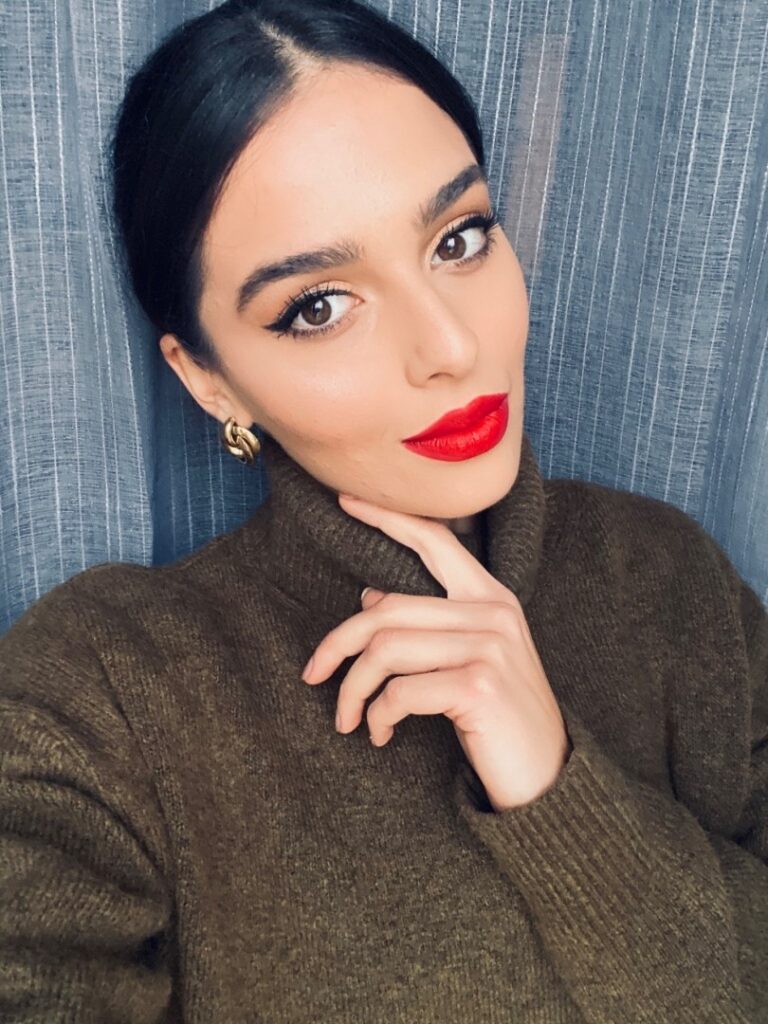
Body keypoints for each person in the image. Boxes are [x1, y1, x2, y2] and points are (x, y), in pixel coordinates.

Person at [1, 0, 766, 1020]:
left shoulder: (672, 581)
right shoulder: (108, 688)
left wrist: (559, 788)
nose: (450, 345)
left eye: (459, 238)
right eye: (318, 306)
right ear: (209, 380)